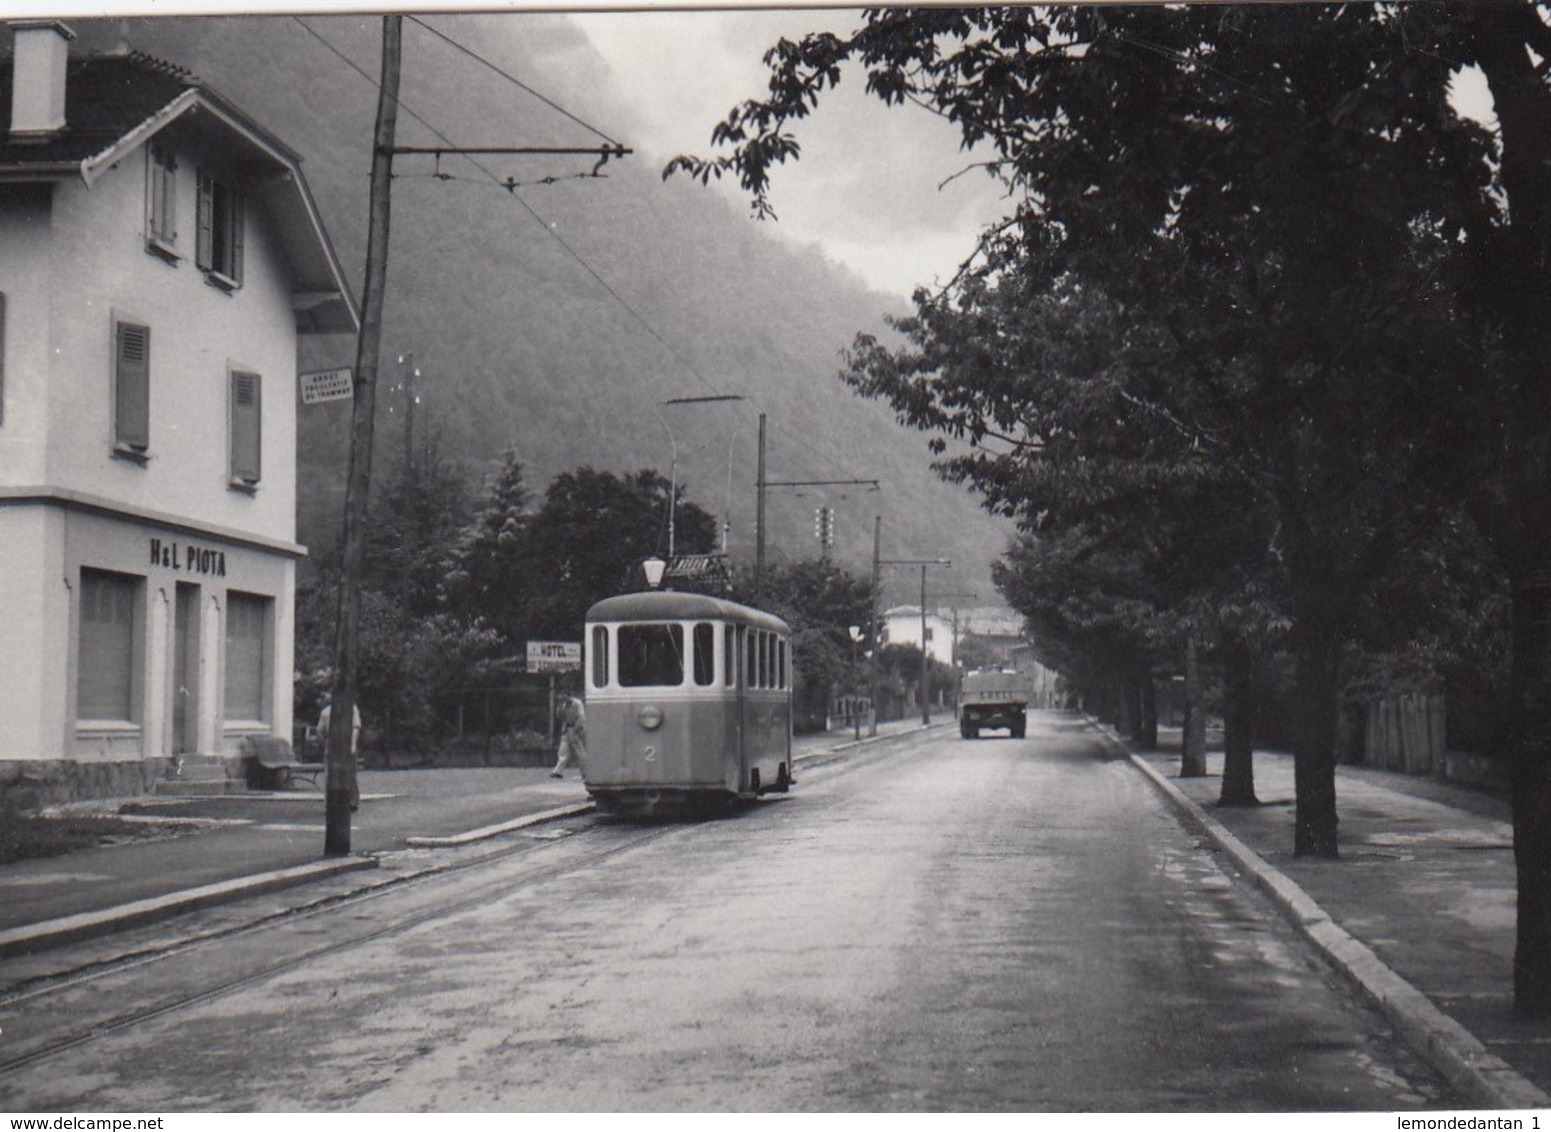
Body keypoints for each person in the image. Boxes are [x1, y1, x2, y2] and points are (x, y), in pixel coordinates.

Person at [551, 694, 586, 778]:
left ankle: (585, 773)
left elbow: (582, 718)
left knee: (580, 752)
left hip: (578, 728)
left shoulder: (577, 703)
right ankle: (558, 771)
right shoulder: (563, 705)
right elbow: (560, 717)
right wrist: (559, 708)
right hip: (567, 728)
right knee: (562, 751)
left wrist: (574, 730)